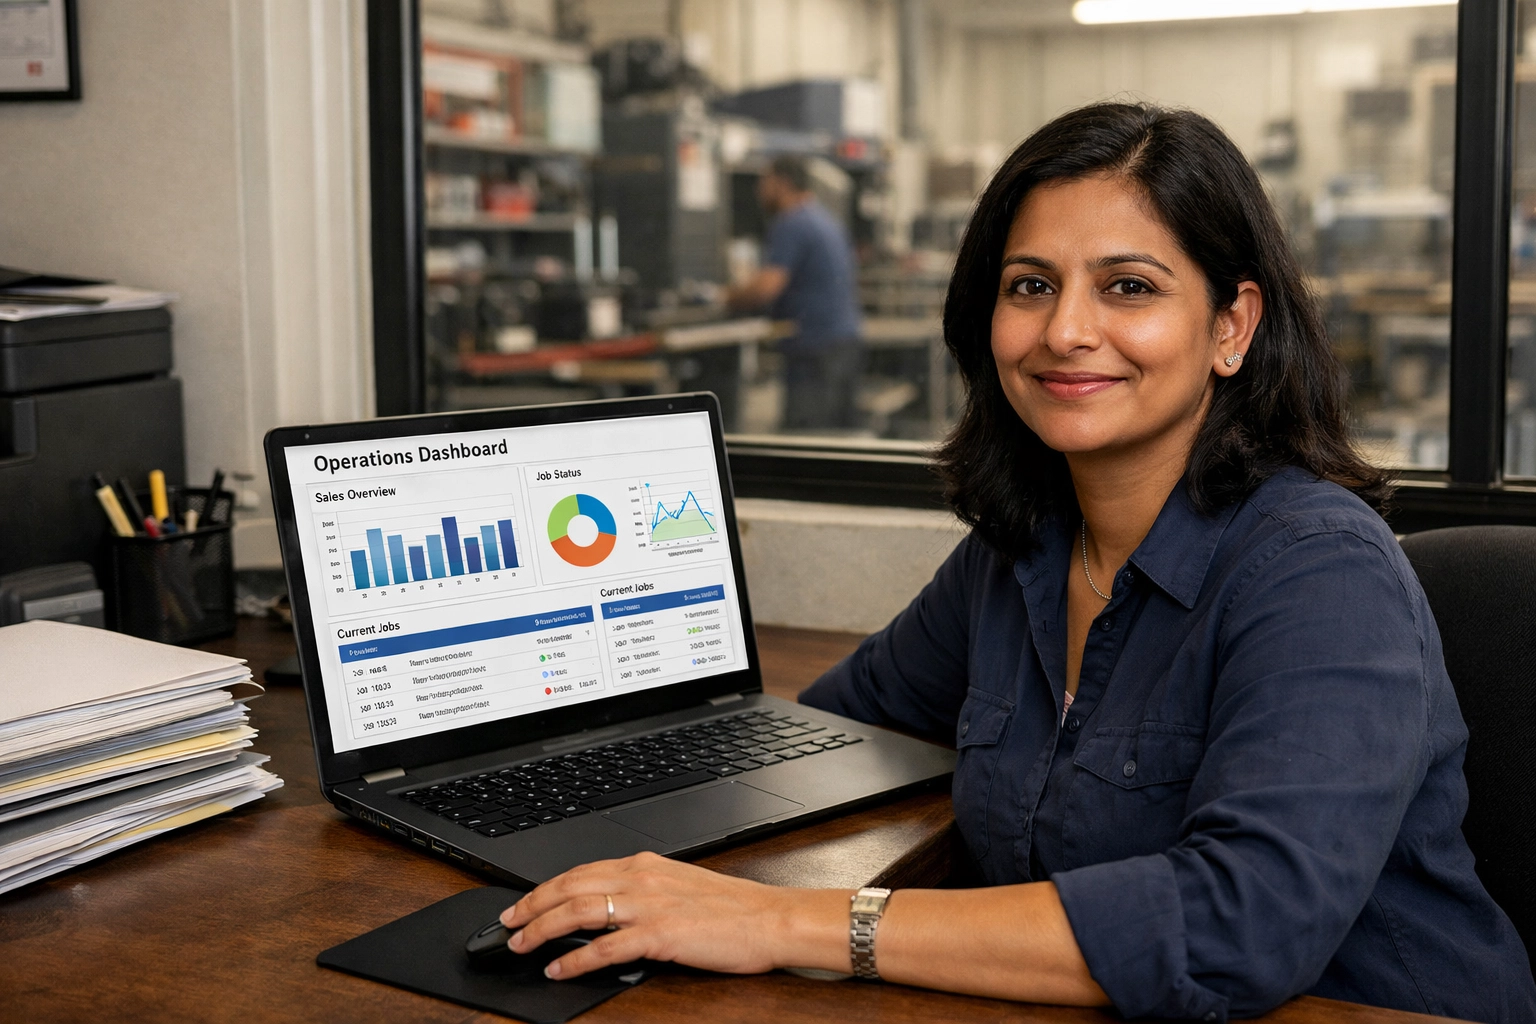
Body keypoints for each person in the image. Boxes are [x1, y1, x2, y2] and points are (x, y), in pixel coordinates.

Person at [494, 103, 1536, 1022]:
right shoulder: (1022, 552)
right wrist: (577, 758)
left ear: (1231, 326)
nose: (1067, 331)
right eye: (1030, 284)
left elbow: (1237, 926)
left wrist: (793, 923)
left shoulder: (1318, 570)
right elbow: (836, 732)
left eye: (1129, 286)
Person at [728, 154, 864, 431]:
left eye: (764, 181)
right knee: (835, 441)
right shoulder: (824, 218)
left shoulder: (791, 224)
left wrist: (724, 297)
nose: (758, 190)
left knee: (807, 444)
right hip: (843, 343)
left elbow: (766, 288)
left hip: (814, 351)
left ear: (781, 182)